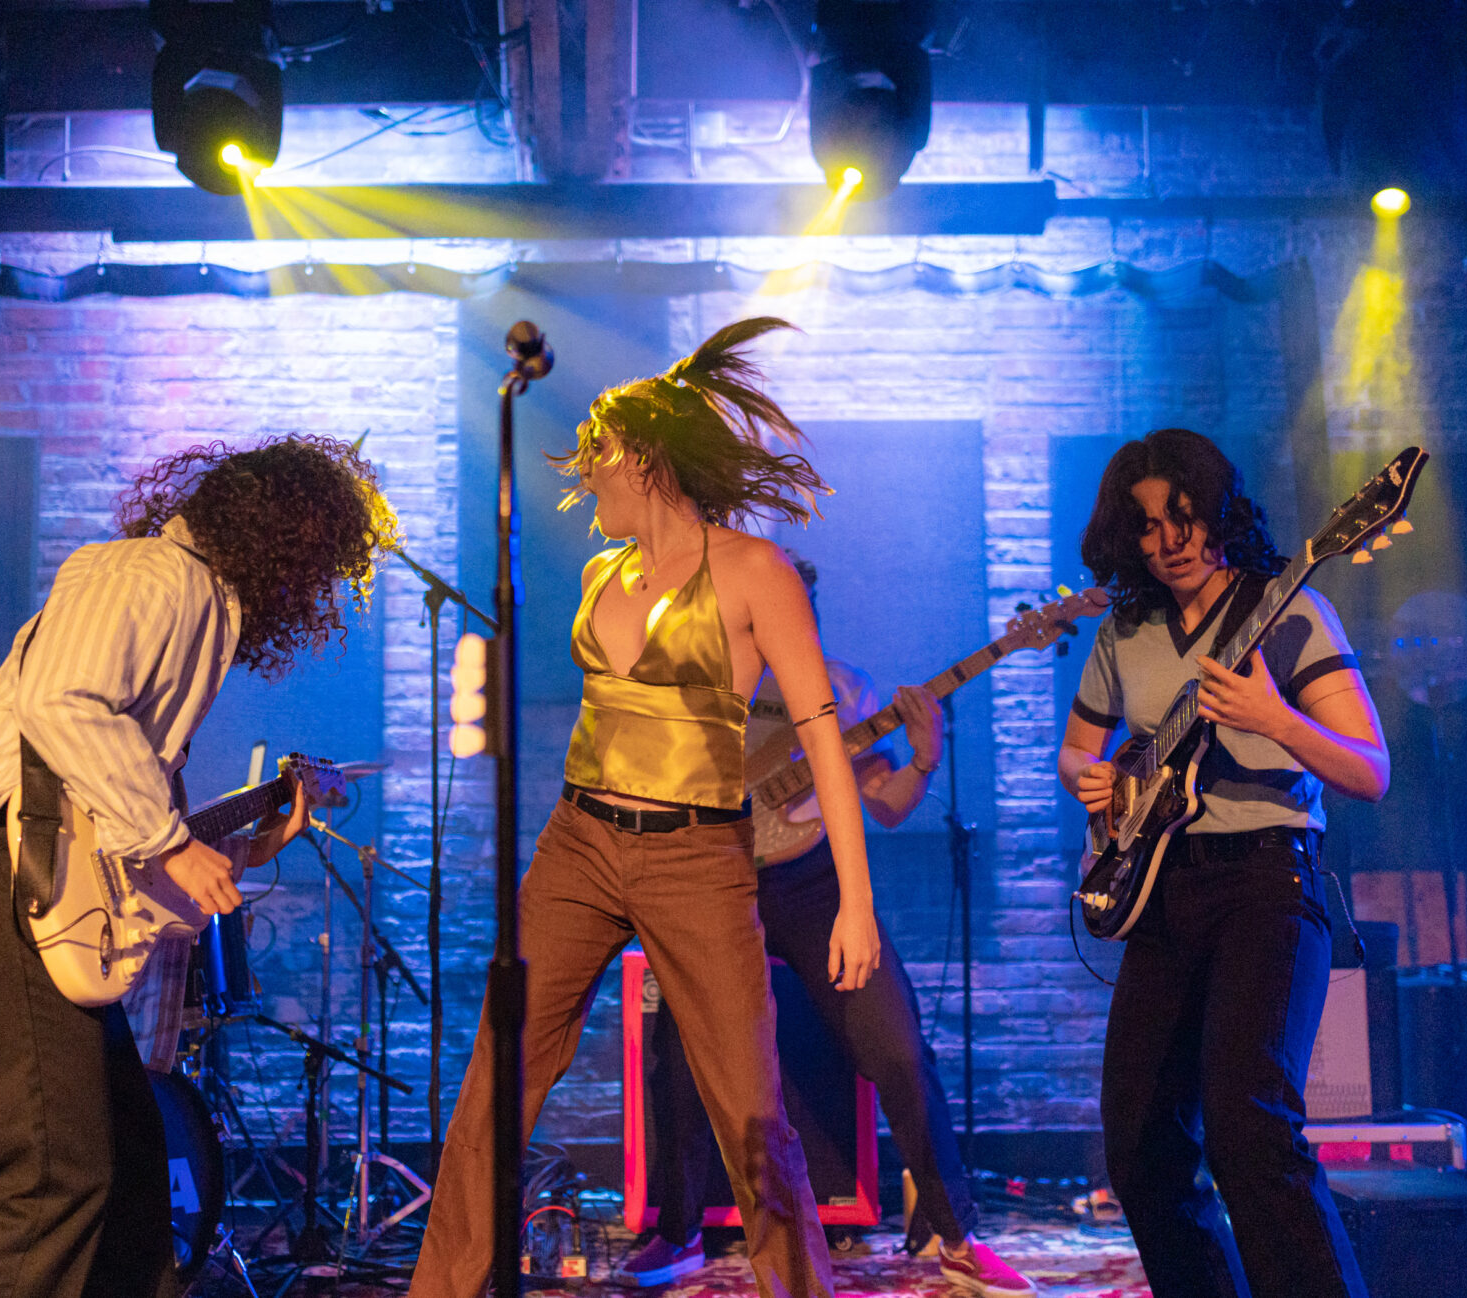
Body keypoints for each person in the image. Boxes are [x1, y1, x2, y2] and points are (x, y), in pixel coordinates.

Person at [0, 434, 397, 1298]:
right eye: (322, 565)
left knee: (134, 1178)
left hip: (31, 892)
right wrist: (170, 842)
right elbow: (62, 702)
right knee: (52, 1178)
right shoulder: (146, 572)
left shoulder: (195, 606)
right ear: (285, 539)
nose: (318, 590)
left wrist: (256, 841)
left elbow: (115, 824)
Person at [409, 319, 878, 1298]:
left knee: (750, 1113)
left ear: (645, 458)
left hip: (694, 855)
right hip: (578, 842)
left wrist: (856, 902)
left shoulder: (754, 571)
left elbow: (823, 738)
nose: (587, 482)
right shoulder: (600, 573)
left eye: (599, 460)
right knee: (498, 1077)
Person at [618, 553, 1035, 1297]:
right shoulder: (696, 685)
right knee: (678, 1054)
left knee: (898, 1048)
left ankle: (959, 1238)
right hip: (719, 889)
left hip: (815, 886)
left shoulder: (842, 688)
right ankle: (678, 1233)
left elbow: (887, 806)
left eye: (799, 606)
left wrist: (925, 759)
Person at [1057, 428, 1388, 1298]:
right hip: (1163, 893)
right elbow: (1077, 751)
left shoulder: (1289, 611)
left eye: (1184, 515)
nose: (1168, 540)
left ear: (1219, 512)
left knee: (1248, 1128)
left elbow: (1370, 770)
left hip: (1268, 885)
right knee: (1138, 1146)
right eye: (1146, 525)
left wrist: (1275, 718)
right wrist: (1096, 781)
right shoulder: (1125, 631)